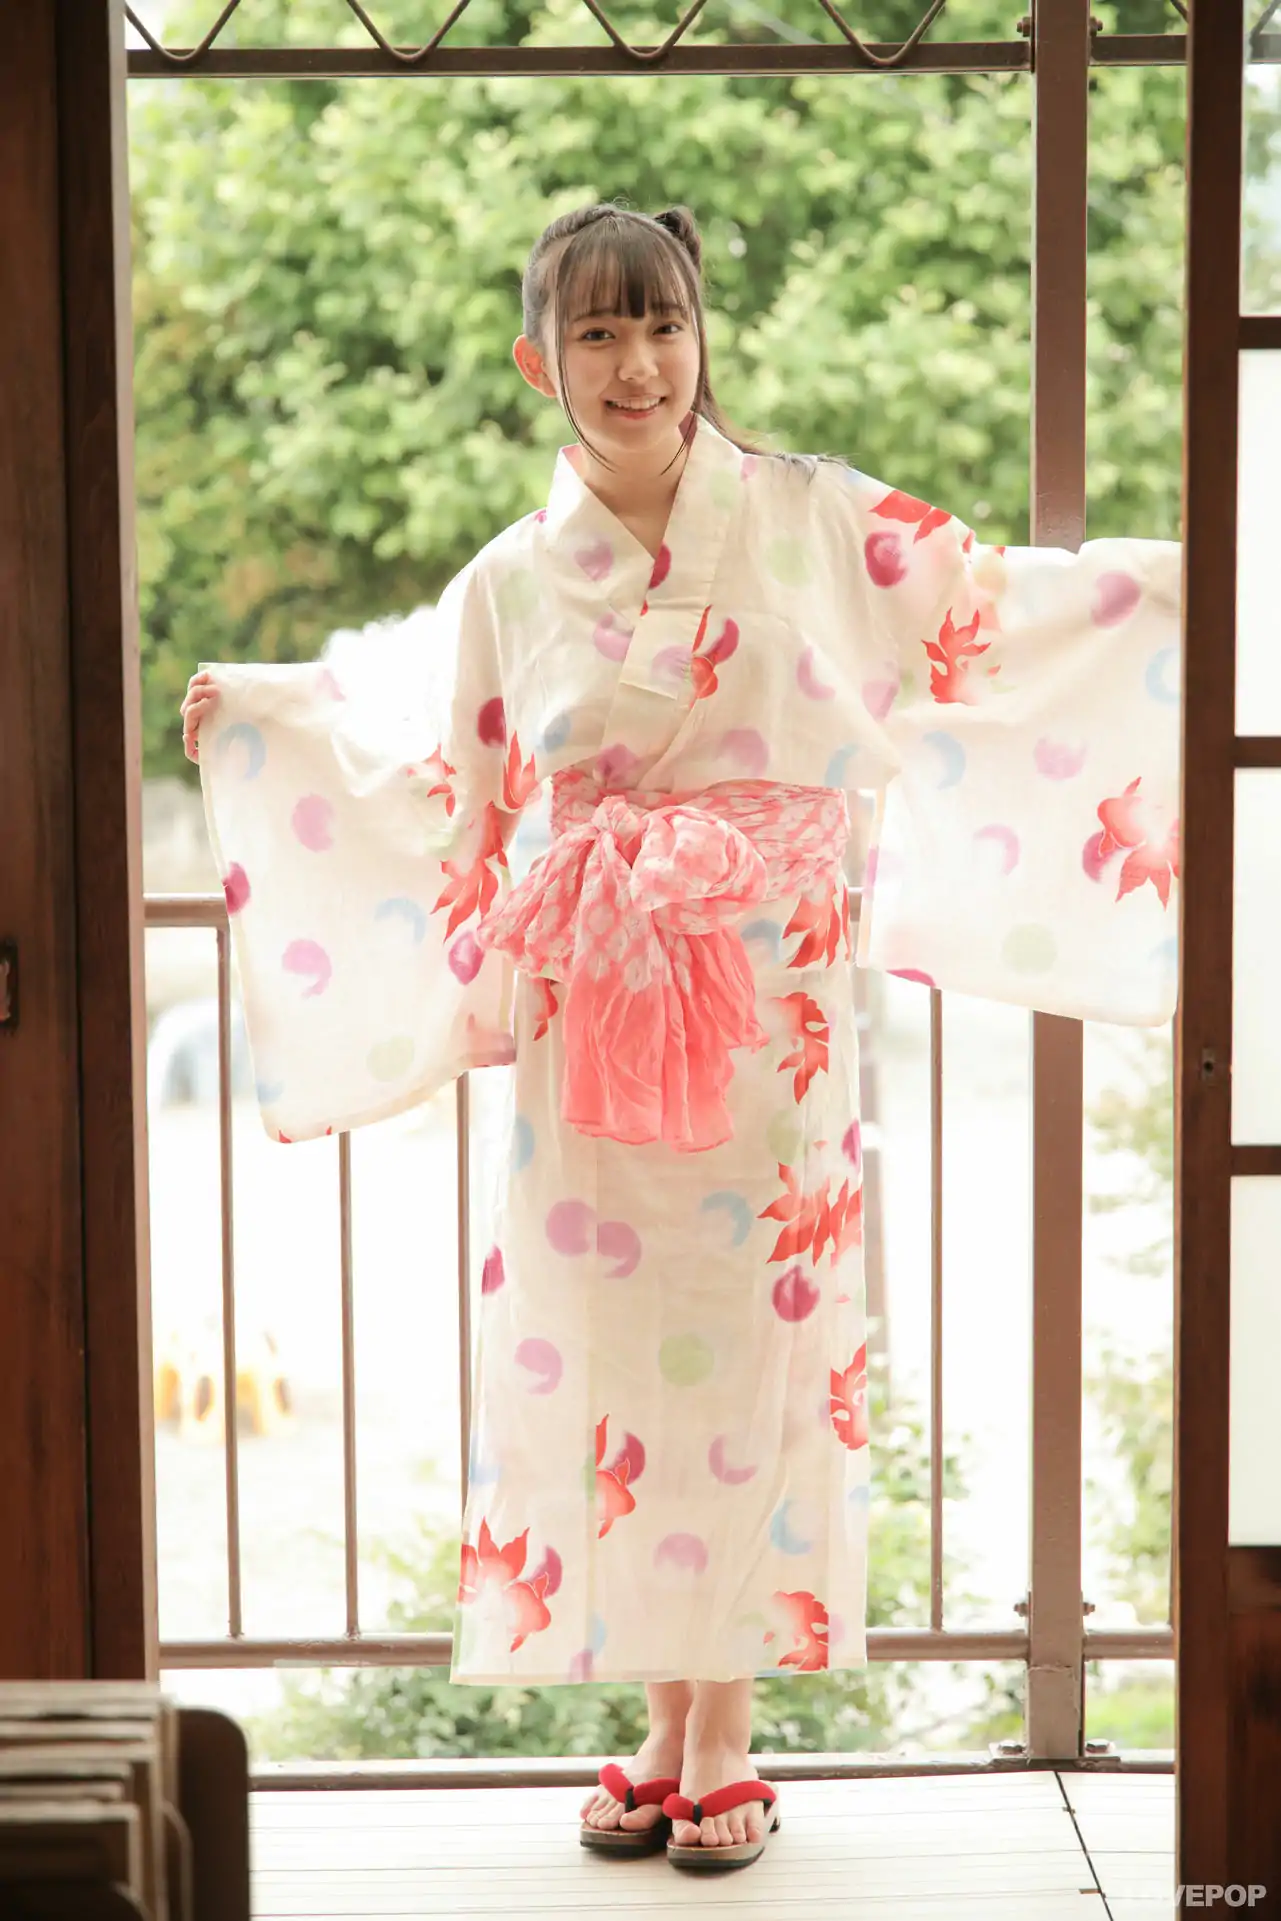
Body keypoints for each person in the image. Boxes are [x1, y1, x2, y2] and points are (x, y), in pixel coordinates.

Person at [180, 202, 1181, 1872]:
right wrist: (270, 716)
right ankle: (656, 1718)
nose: (638, 363)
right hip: (594, 1013)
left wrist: (1179, 591)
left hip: (772, 1013)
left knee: (760, 1354)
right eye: (598, 333)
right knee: (608, 1362)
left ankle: (727, 1728)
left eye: (663, 326)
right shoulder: (512, 578)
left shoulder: (812, 515)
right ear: (541, 363)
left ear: (702, 336)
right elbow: (435, 760)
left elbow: (988, 611)